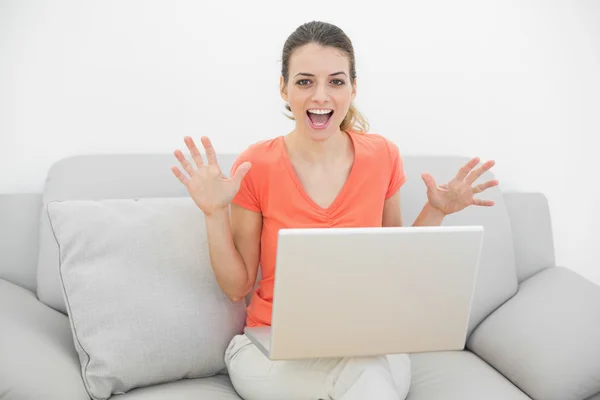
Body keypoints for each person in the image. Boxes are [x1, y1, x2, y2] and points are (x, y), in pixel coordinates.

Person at [171, 21, 498, 400]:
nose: (320, 96)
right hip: (272, 348)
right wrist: (214, 213)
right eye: (305, 81)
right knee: (367, 382)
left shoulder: (382, 156)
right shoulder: (256, 164)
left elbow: (395, 264)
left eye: (336, 82)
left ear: (353, 88)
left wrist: (436, 210)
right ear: (284, 88)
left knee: (365, 371)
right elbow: (236, 286)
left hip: (367, 344)